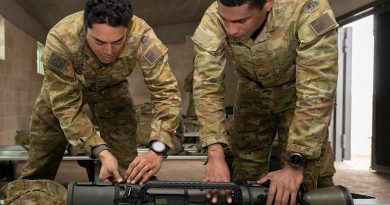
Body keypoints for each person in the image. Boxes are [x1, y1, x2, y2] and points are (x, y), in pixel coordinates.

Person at [191, 0, 338, 204]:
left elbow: (316, 90)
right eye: (226, 21)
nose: (232, 30)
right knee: (244, 173)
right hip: (252, 89)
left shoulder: (306, 9)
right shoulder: (214, 16)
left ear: (268, 4)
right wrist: (215, 153)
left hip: (298, 89)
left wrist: (296, 162)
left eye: (241, 20)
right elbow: (207, 86)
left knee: (303, 181)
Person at [21, 0, 181, 184]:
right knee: (39, 163)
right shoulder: (61, 39)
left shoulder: (141, 35)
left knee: (130, 168)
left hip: (112, 91)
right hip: (64, 92)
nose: (109, 51)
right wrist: (101, 152)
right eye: (99, 41)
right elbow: (66, 106)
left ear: (128, 30)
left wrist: (158, 149)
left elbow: (166, 93)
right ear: (85, 27)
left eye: (118, 41)